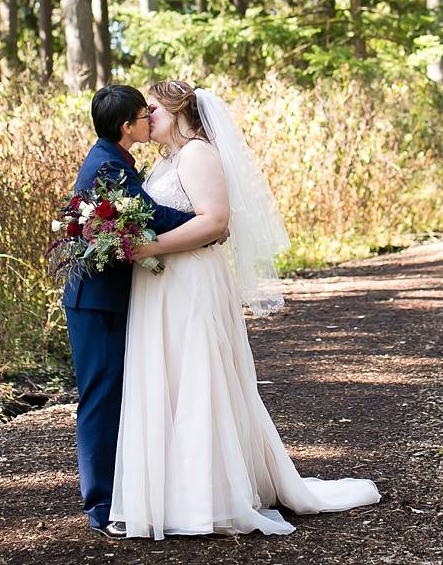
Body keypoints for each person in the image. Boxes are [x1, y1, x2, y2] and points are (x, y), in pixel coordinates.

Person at [107, 79, 380, 539]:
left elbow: (216, 222)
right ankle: (173, 493)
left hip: (190, 279)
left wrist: (145, 248)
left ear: (177, 110)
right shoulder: (168, 159)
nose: (144, 115)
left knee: (197, 377)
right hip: (163, 283)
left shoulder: (197, 153)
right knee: (170, 380)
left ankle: (206, 497)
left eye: (152, 108)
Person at [65, 85, 212, 539]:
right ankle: (101, 508)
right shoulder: (108, 164)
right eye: (143, 115)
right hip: (98, 302)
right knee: (101, 402)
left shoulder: (117, 158)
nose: (151, 119)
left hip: (108, 298)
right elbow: (147, 213)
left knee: (115, 399)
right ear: (127, 127)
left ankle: (121, 495)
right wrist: (204, 224)